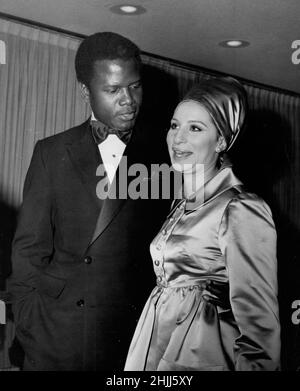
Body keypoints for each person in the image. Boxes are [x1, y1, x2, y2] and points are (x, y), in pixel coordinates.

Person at [8, 32, 168, 370]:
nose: (128, 100)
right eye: (112, 90)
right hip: (55, 335)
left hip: (125, 339)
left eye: (135, 86)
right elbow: (28, 252)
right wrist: (30, 323)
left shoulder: (162, 159)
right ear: (86, 91)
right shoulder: (51, 153)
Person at [125, 76, 281, 371]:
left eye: (195, 128)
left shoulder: (241, 207)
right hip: (156, 342)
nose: (177, 138)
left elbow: (259, 325)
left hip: (199, 355)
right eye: (174, 125)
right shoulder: (181, 203)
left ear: (221, 140)